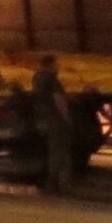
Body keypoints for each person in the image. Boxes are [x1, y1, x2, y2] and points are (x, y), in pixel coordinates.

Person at [31, 53, 77, 193]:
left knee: (54, 150)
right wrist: (66, 117)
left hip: (44, 117)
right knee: (60, 151)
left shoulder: (37, 78)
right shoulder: (52, 79)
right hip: (56, 119)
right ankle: (58, 183)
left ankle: (56, 182)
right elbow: (59, 100)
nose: (59, 66)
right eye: (57, 64)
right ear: (50, 64)